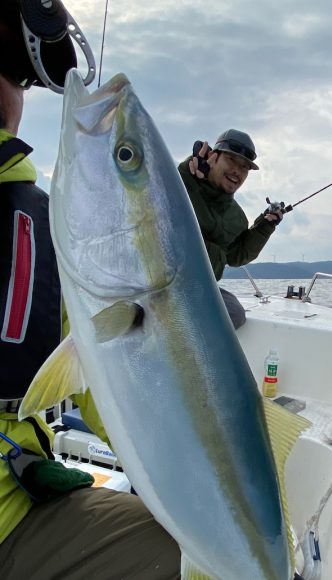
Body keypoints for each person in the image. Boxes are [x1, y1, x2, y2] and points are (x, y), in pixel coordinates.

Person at [0, 2, 180, 578]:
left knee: (191, 553)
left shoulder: (44, 229)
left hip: (20, 506)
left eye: (21, 78)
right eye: (15, 70)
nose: (15, 94)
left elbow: (107, 378)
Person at [178, 129, 284, 329]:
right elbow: (160, 192)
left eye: (244, 167)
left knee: (234, 312)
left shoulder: (237, 217)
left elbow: (236, 256)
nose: (237, 170)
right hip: (161, 278)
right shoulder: (186, 182)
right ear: (213, 157)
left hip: (201, 287)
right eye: (231, 160)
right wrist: (188, 169)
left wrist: (265, 226)